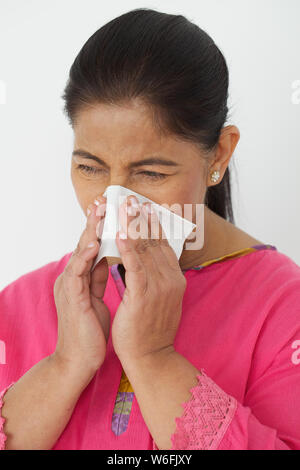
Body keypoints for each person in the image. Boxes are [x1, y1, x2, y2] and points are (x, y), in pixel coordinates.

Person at [1, 8, 300, 450]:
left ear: (218, 154)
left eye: (151, 174)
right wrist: (66, 364)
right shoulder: (20, 304)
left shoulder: (283, 309)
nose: (116, 204)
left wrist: (153, 359)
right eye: (90, 167)